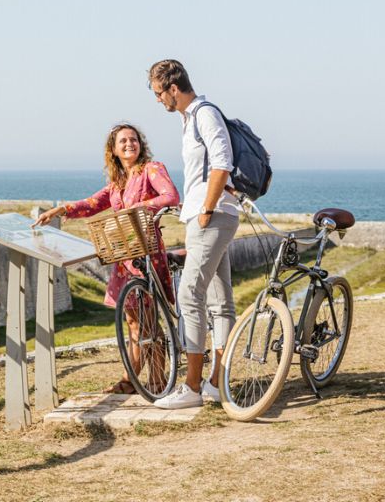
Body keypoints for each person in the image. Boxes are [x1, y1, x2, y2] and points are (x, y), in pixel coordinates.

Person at [34, 123, 180, 394]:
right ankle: (131, 380)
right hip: (124, 258)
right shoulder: (116, 185)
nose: (129, 144)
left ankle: (158, 380)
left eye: (134, 139)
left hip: (147, 255)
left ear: (141, 144)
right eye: (123, 141)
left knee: (149, 320)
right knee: (133, 322)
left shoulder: (152, 169)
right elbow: (90, 204)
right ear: (113, 150)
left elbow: (171, 196)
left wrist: (140, 206)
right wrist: (57, 211)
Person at [148, 59, 239, 409]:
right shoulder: (190, 119)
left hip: (211, 218)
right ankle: (218, 382)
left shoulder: (204, 113)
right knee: (220, 301)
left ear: (173, 88)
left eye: (159, 93)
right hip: (210, 217)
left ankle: (192, 386)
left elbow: (222, 163)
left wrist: (205, 210)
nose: (158, 101)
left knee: (189, 295)